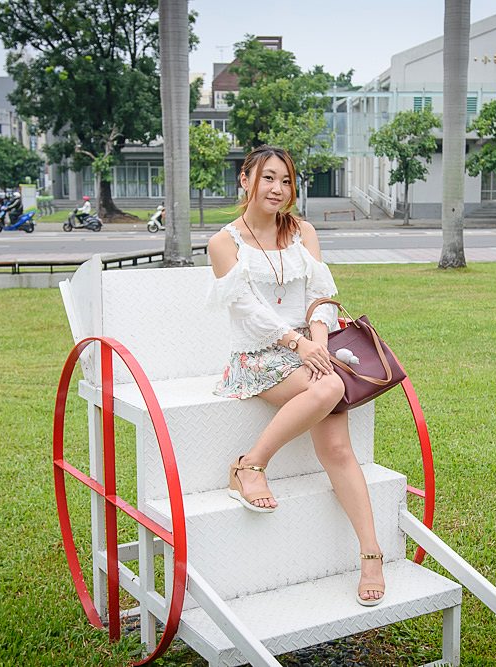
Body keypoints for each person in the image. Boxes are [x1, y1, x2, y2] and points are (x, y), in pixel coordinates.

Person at [206, 145, 386, 606]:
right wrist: (299, 344)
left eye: (286, 181)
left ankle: (371, 554)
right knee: (330, 384)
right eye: (267, 178)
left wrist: (320, 341)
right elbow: (246, 308)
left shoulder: (303, 231)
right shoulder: (225, 242)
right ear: (245, 180)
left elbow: (320, 295)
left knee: (338, 447)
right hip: (259, 355)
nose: (277, 189)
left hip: (312, 349)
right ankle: (251, 464)